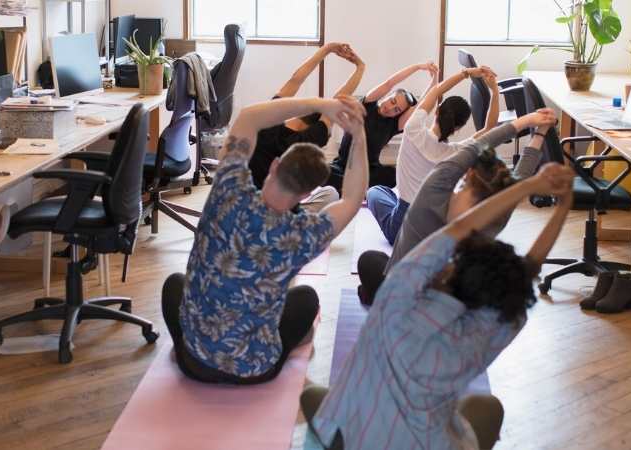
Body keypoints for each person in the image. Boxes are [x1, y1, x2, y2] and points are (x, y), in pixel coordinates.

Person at [299, 162, 575, 450]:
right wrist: (564, 206)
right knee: (487, 408)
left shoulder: (396, 303)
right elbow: (528, 270)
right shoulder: (486, 336)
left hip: (351, 438)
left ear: (450, 271)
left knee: (314, 397)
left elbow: (459, 229)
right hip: (428, 443)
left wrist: (530, 185)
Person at [161, 95, 369, 384]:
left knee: (175, 283)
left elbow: (249, 117)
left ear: (273, 166)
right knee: (307, 299)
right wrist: (358, 136)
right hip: (254, 370)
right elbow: (352, 198)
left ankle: (196, 345)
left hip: (193, 360)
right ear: (307, 194)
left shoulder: (228, 189)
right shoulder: (303, 236)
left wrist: (321, 105)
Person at [357, 107, 558, 306]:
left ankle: (370, 295)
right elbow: (520, 180)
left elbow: (474, 148)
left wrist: (527, 121)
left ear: (468, 175)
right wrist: (540, 133)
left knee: (370, 259)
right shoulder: (495, 217)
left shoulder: (432, 196)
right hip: (441, 305)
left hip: (401, 298)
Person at [367, 65, 500, 245]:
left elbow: (437, 90)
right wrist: (494, 91)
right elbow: (489, 128)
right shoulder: (458, 151)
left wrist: (467, 73)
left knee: (374, 191)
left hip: (401, 230)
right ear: (458, 128)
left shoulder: (412, 129)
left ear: (437, 111)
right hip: (433, 224)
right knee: (387, 192)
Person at [248, 42, 366, 212]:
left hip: (249, 202)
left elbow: (296, 79)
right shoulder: (314, 138)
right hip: (283, 211)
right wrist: (360, 67)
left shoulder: (269, 124)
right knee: (331, 193)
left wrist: (327, 49)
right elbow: (340, 100)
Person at [326, 61, 439, 193]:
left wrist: (435, 80)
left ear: (399, 114)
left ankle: (352, 188)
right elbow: (390, 83)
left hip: (368, 173)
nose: (390, 108)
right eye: (392, 101)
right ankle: (352, 188)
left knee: (393, 176)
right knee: (322, 172)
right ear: (388, 95)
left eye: (396, 110)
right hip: (342, 167)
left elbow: (421, 106)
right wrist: (418, 67)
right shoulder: (368, 103)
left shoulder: (394, 125)